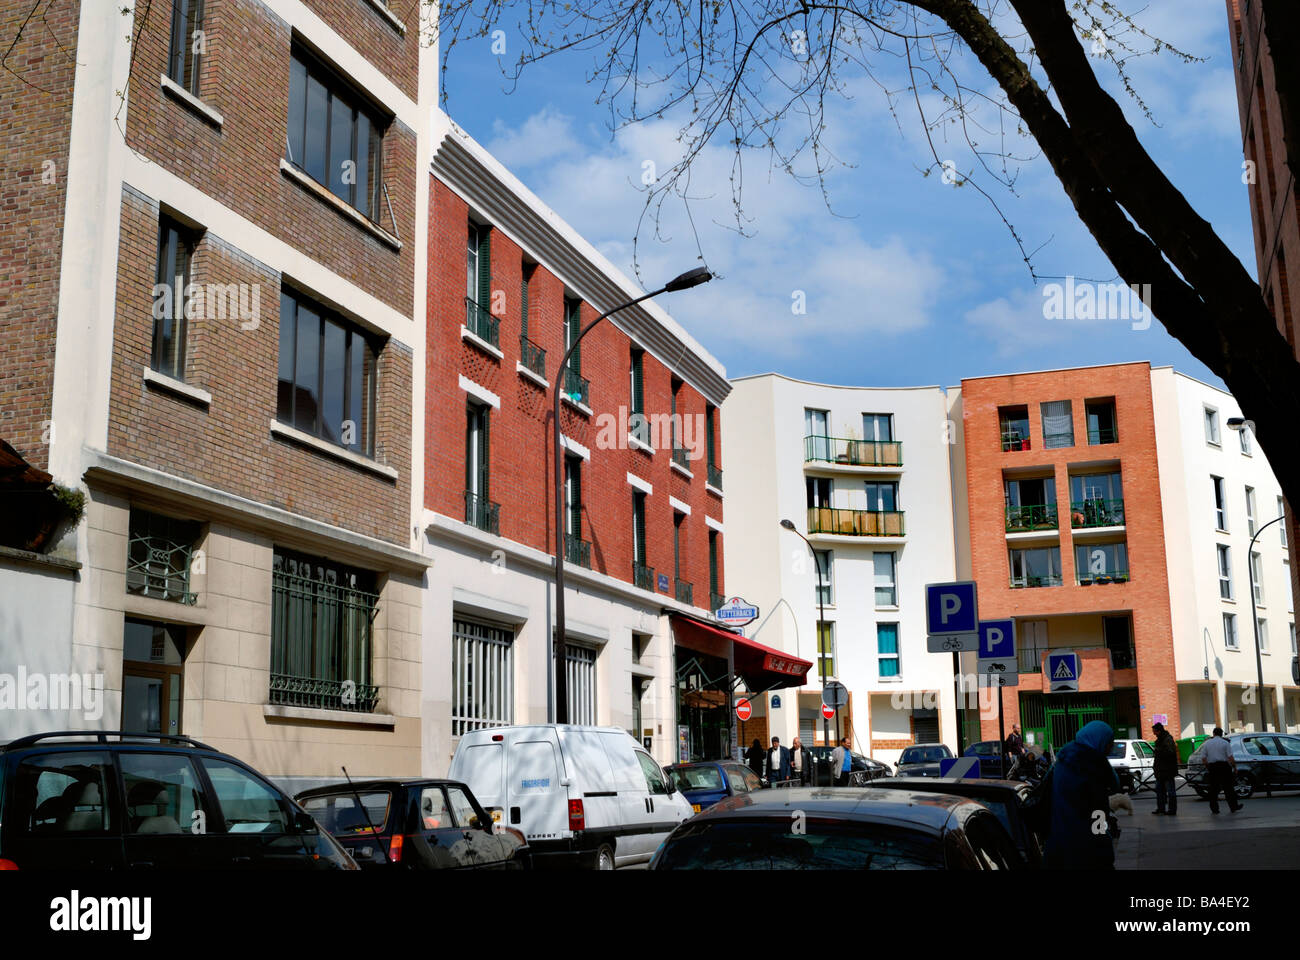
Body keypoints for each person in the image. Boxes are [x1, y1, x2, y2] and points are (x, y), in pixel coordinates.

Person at [1043, 720, 1129, 869]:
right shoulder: (1092, 768)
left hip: (1057, 847)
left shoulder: (1062, 760)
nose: (1110, 748)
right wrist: (1104, 847)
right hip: (1085, 852)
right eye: (1109, 743)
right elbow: (1098, 814)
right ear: (1100, 742)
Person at [1202, 727, 1242, 815]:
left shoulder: (1207, 744)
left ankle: (1214, 809)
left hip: (1213, 767)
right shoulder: (1225, 743)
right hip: (1224, 767)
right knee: (1228, 788)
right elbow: (1230, 757)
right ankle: (1233, 806)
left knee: (1213, 789)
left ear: (1213, 734)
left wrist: (1208, 767)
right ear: (1221, 734)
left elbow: (1204, 758)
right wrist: (1234, 767)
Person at [1150, 722, 1179, 816]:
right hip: (1161, 770)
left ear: (1158, 731)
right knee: (1160, 791)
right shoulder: (1162, 739)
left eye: (1154, 731)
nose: (1153, 733)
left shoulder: (1167, 739)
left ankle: (1171, 809)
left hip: (1167, 770)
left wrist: (1158, 751)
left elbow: (1169, 753)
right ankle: (1161, 808)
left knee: (1170, 791)